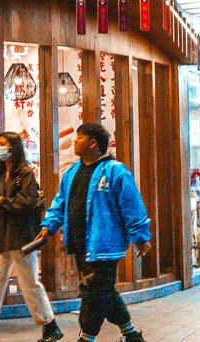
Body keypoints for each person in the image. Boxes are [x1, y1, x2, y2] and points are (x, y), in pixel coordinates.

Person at [34, 122, 152, 342]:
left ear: (93, 143)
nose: (75, 141)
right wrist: (48, 226)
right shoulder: (72, 172)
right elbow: (60, 202)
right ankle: (131, 335)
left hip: (105, 245)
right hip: (80, 244)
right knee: (103, 291)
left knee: (92, 290)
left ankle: (86, 337)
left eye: (80, 137)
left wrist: (141, 237)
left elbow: (132, 205)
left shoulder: (115, 171)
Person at [0, 133, 62, 342]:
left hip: (21, 237)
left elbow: (26, 202)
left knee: (30, 283)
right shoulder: (0, 174)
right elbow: (0, 202)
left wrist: (0, 203)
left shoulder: (25, 173)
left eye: (3, 144)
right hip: (2, 236)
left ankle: (50, 326)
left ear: (14, 147)